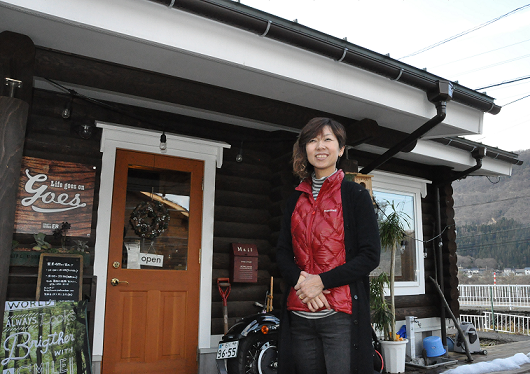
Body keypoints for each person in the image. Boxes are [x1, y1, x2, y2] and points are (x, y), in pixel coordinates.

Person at [276, 117, 381, 374]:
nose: (319, 146)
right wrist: (304, 285)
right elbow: (281, 253)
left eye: (327, 139)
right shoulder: (295, 200)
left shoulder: (355, 196)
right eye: (312, 140)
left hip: (340, 318)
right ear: (305, 149)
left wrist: (321, 282)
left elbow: (370, 256)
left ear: (341, 149)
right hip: (299, 316)